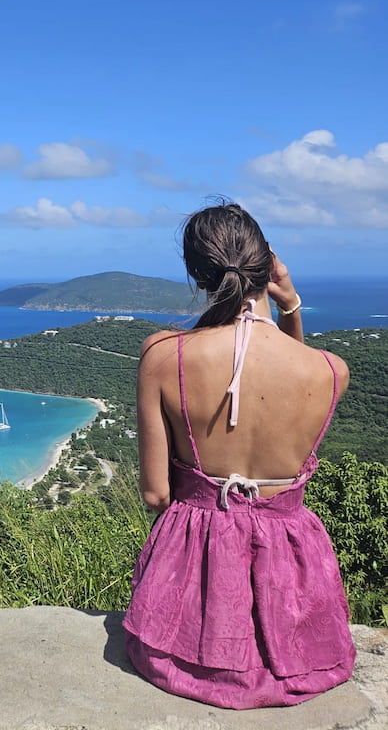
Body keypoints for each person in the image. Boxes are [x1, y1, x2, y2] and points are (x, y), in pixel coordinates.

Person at [122, 201, 355, 709]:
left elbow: (156, 493)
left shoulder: (163, 354)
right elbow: (294, 374)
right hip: (291, 570)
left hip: (198, 567)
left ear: (197, 274)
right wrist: (291, 305)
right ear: (269, 267)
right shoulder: (332, 370)